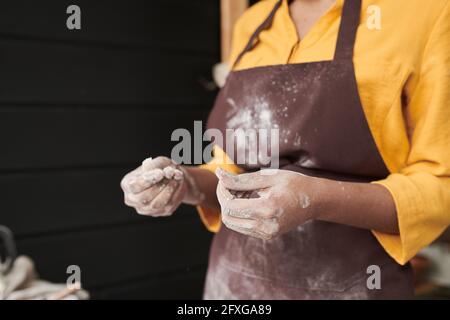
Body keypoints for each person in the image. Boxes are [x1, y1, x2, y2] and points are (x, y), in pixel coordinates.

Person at [121, 0, 450, 299]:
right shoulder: (253, 22)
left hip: (352, 285)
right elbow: (231, 171)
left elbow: (440, 184)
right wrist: (187, 183)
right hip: (233, 286)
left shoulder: (426, 13)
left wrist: (316, 198)